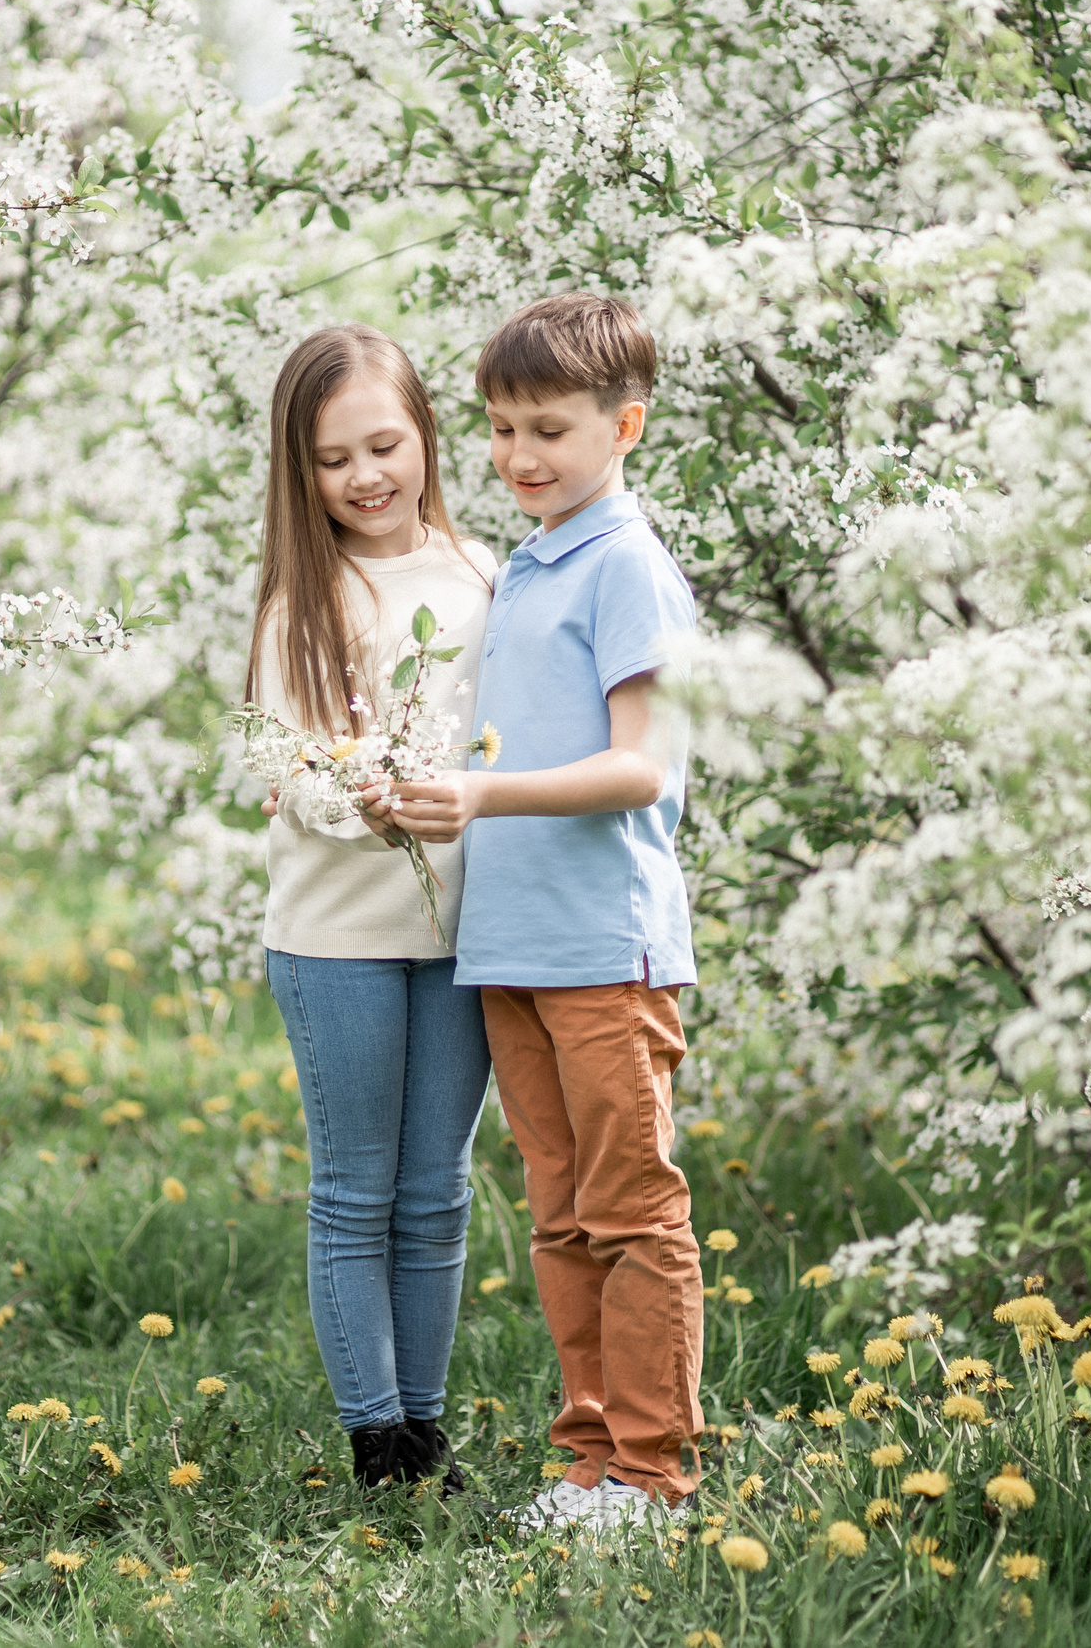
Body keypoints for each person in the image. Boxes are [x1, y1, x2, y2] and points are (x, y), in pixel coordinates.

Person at [366, 293, 703, 1531]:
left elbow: (642, 767)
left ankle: (656, 1479)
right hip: (508, 948)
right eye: (501, 428)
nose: (518, 457)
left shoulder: (625, 565)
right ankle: (588, 1465)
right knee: (561, 1220)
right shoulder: (530, 561)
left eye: (548, 430)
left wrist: (481, 793)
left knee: (631, 1217)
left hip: (602, 953)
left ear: (625, 426)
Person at [248, 324, 499, 1492]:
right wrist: (363, 801)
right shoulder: (306, 600)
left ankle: (426, 1429)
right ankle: (376, 1440)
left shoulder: (485, 579)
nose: (365, 476)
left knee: (435, 1193)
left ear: (425, 435)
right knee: (355, 1189)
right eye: (333, 459)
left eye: (384, 445)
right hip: (337, 939)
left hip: (457, 939)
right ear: (300, 473)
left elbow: (510, 747)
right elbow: (283, 770)